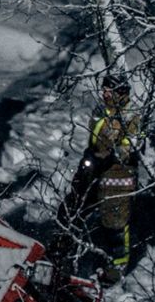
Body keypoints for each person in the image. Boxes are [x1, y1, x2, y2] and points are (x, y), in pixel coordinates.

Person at [58, 74, 141, 285]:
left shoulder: (132, 116)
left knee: (115, 224)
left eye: (109, 91)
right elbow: (95, 140)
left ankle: (114, 271)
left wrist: (110, 156)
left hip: (117, 177)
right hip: (93, 170)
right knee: (71, 208)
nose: (104, 94)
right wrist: (91, 156)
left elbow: (133, 146)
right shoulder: (102, 111)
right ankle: (60, 252)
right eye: (103, 90)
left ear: (121, 93)